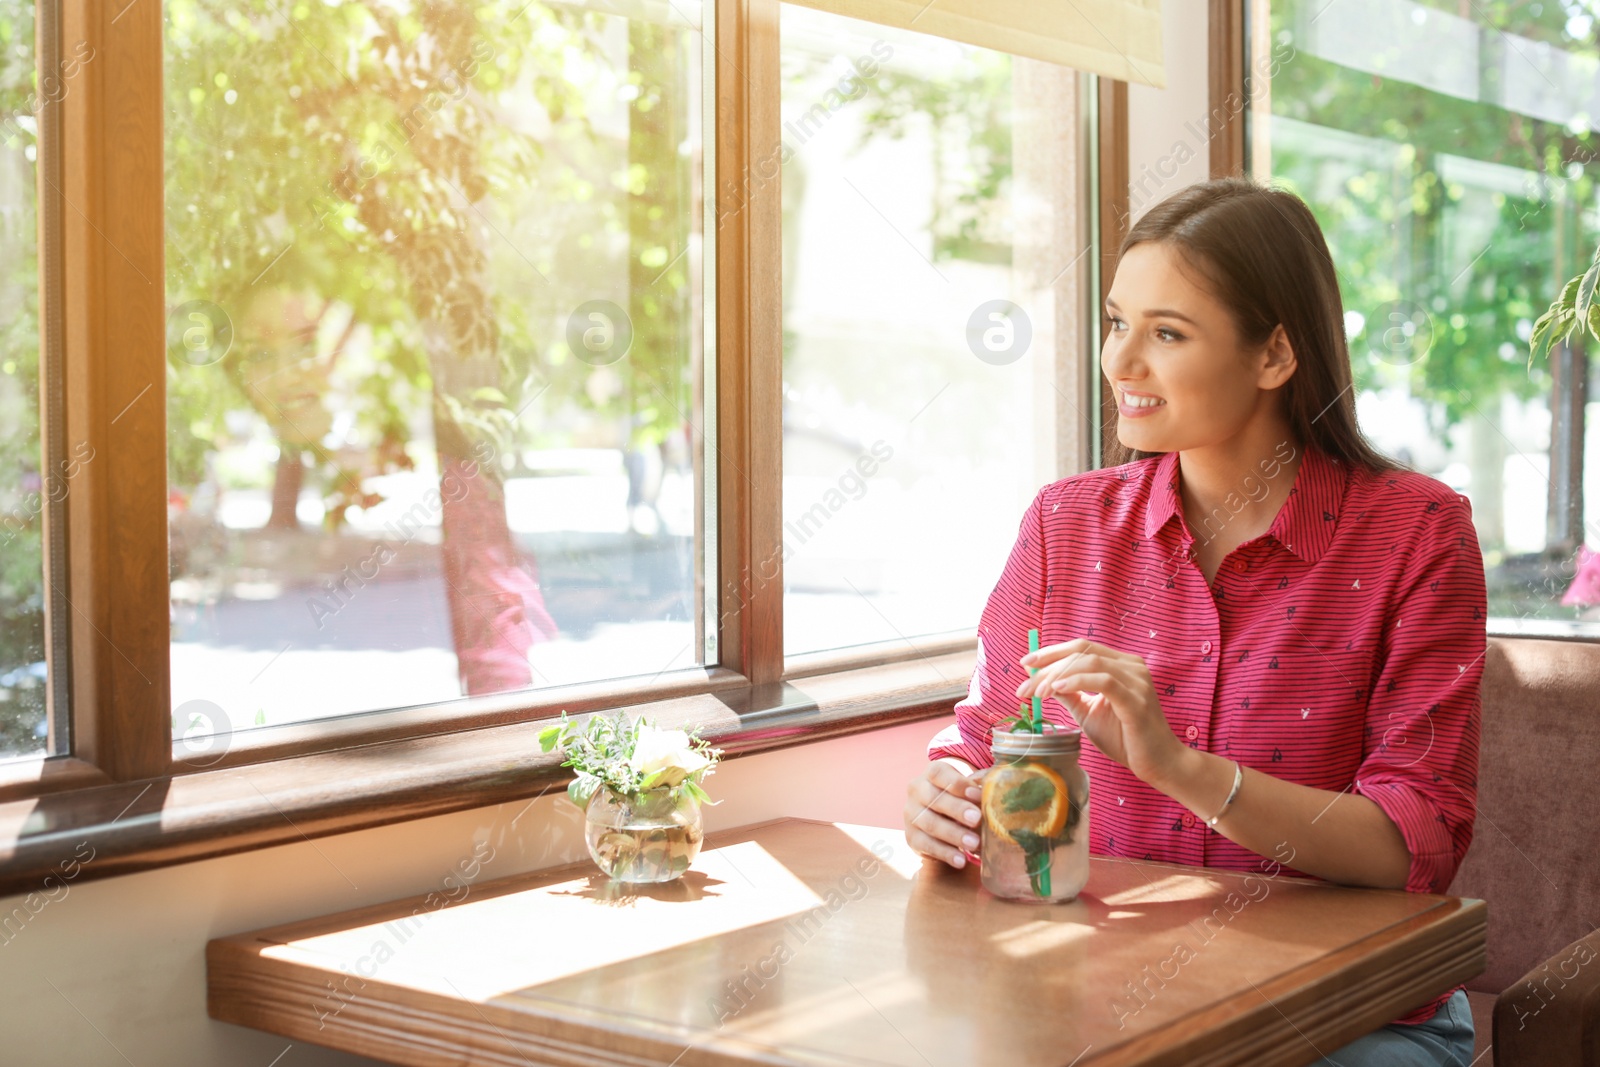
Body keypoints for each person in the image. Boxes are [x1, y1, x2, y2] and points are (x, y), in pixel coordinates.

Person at [904, 178, 1484, 1067]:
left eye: (1166, 333)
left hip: (1350, 1018)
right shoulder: (1065, 524)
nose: (1121, 362)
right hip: (1105, 998)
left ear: (1275, 355)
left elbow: (1416, 841)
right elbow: (986, 737)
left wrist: (1179, 768)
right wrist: (943, 790)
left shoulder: (1418, 532)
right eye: (1115, 322)